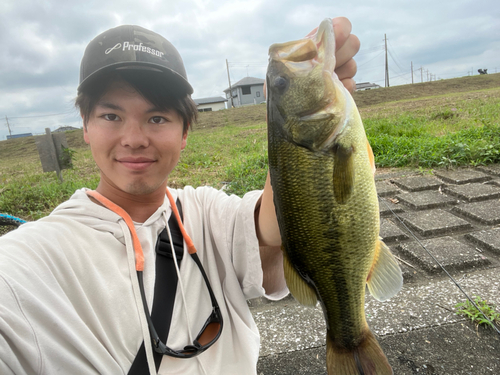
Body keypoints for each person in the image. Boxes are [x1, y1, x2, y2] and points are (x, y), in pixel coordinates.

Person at [0, 17, 359, 375]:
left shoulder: (205, 211)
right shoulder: (28, 260)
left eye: (157, 118)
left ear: (185, 131)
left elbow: (283, 216)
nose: (134, 138)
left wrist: (290, 106)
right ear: (85, 125)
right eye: (111, 116)